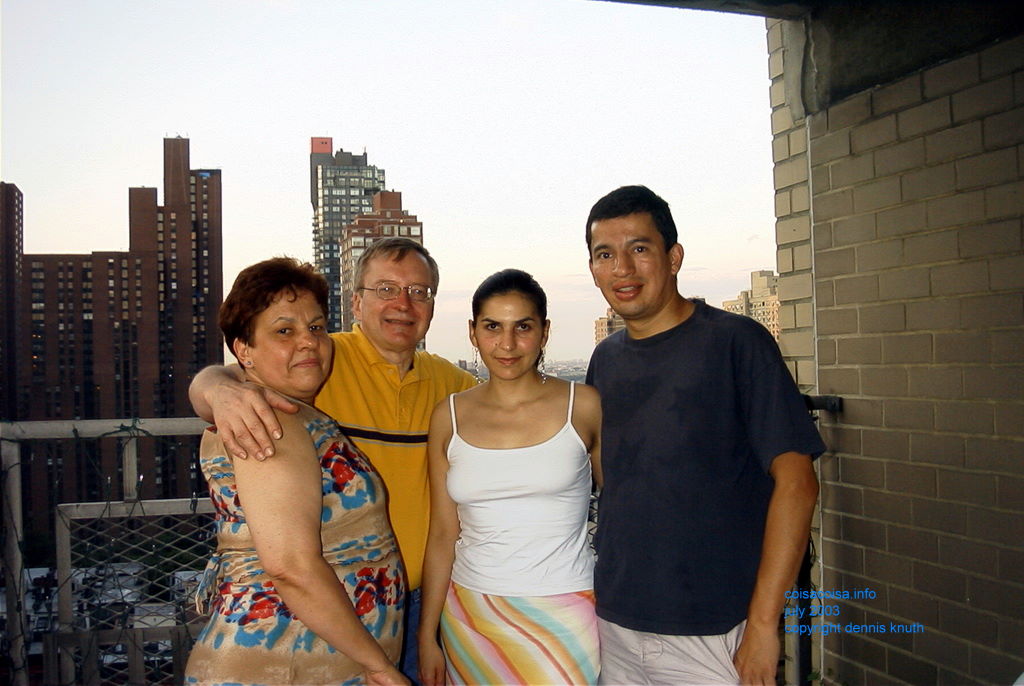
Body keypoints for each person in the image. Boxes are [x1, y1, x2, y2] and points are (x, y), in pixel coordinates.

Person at [189, 238, 476, 682]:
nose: (403, 303)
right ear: (356, 302)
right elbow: (290, 565)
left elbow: (511, 404)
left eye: (419, 292)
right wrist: (216, 388)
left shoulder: (452, 385)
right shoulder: (310, 371)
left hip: (417, 607)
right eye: (386, 289)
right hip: (302, 633)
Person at [584, 186, 825, 686]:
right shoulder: (605, 360)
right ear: (593, 268)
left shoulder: (735, 342)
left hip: (716, 631)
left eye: (639, 248)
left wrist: (763, 625)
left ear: (673, 257)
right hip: (615, 622)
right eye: (605, 254)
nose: (622, 268)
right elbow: (613, 480)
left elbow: (798, 484)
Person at [418, 269, 603, 686]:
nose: (507, 343)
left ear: (544, 331)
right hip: (471, 614)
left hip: (567, 610)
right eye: (492, 327)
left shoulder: (583, 405)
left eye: (523, 326)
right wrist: (427, 634)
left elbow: (623, 507)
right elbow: (443, 534)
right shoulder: (448, 416)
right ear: (473, 332)